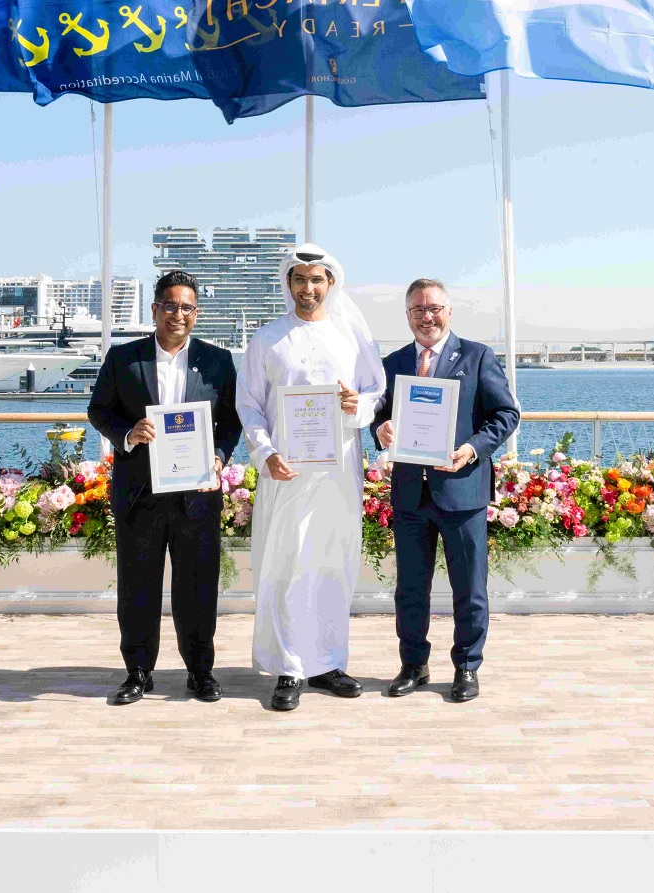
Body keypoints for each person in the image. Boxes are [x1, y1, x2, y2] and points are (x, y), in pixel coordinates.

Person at [237, 244, 386, 711]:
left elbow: (376, 393)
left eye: (316, 279)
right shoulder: (267, 339)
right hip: (286, 473)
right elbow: (248, 405)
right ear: (288, 284)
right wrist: (265, 453)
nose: (308, 288)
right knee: (285, 566)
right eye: (299, 279)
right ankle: (289, 667)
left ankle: (327, 663)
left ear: (331, 283)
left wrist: (357, 405)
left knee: (332, 563)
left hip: (338, 474)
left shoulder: (353, 338)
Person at [87, 270, 242, 705]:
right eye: (170, 306)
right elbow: (99, 411)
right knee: (137, 586)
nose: (179, 314)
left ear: (197, 313)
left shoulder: (218, 361)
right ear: (155, 309)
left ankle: (200, 671)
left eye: (187, 307)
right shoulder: (124, 358)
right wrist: (128, 433)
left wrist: (219, 457)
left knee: (198, 586)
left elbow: (231, 421)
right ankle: (138, 672)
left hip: (197, 493)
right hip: (140, 492)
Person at [372, 279, 519, 703]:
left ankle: (467, 667)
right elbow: (378, 415)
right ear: (407, 315)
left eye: (434, 308)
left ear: (449, 312)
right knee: (409, 589)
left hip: (462, 491)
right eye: (418, 309)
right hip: (410, 495)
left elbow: (506, 414)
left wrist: (471, 449)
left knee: (469, 590)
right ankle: (413, 665)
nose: (427, 316)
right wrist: (379, 428)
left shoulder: (477, 356)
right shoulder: (393, 363)